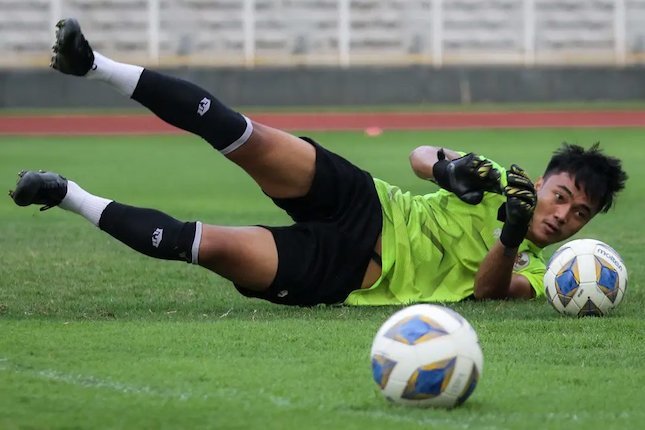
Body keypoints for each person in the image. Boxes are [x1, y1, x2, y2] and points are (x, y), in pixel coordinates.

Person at [9, 18, 627, 306]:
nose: (565, 215)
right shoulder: (503, 181)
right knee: (242, 134)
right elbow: (419, 155)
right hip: (367, 201)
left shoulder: (553, 275)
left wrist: (512, 233)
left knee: (203, 245)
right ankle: (91, 65)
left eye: (580, 214)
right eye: (562, 195)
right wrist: (447, 170)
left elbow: (492, 293)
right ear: (544, 181)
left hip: (349, 273)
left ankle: (67, 195)